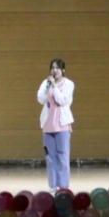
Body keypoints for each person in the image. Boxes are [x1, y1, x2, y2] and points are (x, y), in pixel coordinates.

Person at [36, 58, 75, 192]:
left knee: (63, 156)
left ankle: (63, 187)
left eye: (58, 68)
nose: (55, 70)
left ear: (63, 70)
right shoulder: (46, 83)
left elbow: (63, 100)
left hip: (62, 125)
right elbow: (41, 99)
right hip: (48, 125)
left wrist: (54, 86)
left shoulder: (69, 84)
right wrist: (48, 86)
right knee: (50, 158)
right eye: (53, 68)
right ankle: (53, 186)